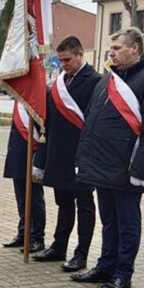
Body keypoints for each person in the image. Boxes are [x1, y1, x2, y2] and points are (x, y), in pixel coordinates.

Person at [72, 27, 144, 288]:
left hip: (127, 168)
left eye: (117, 48)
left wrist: (139, 170)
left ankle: (123, 273)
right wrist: (83, 160)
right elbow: (91, 124)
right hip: (102, 166)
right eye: (111, 48)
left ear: (135, 48)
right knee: (109, 222)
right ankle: (106, 266)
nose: (111, 53)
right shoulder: (108, 81)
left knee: (127, 224)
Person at [32, 36, 100, 271]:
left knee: (85, 206)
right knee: (63, 204)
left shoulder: (96, 81)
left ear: (80, 55)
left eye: (67, 60)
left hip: (82, 155)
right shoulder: (60, 82)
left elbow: (94, 120)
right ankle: (59, 246)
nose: (63, 65)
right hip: (60, 154)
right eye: (60, 60)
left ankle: (81, 254)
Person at [2, 100, 46, 254]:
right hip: (18, 153)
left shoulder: (37, 96)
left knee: (34, 198)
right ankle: (23, 233)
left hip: (32, 154)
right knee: (21, 198)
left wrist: (40, 157)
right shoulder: (19, 98)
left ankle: (37, 237)